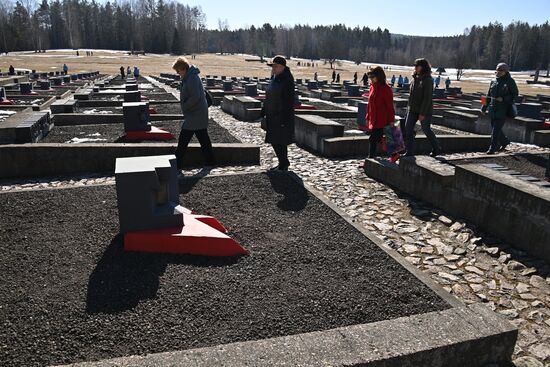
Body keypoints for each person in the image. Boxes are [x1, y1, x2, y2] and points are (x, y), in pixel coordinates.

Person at [172, 57, 214, 171]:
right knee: (203, 137)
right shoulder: (189, 76)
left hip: (195, 114)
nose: (177, 73)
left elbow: (195, 97)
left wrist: (185, 106)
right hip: (197, 113)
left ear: (183, 68)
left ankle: (176, 164)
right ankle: (210, 161)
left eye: (178, 71)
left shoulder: (192, 78)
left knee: (184, 139)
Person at [261, 55, 295, 171]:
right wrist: (263, 110)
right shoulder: (274, 78)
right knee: (274, 140)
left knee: (280, 141)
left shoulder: (287, 80)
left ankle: (283, 163)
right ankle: (282, 162)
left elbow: (289, 101)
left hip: (281, 116)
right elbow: (268, 95)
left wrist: (284, 118)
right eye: (272, 66)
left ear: (282, 67)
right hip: (272, 114)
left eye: (275, 66)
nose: (273, 68)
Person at [403, 58, 441, 157]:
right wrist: (408, 108)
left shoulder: (428, 80)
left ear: (423, 67)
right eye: (415, 66)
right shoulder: (414, 79)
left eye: (417, 66)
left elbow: (427, 98)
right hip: (412, 109)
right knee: (408, 129)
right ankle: (409, 151)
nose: (415, 68)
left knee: (426, 130)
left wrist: (422, 113)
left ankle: (436, 148)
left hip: (424, 110)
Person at [480, 63, 518, 154]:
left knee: (495, 131)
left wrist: (504, 98)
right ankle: (505, 142)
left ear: (505, 72)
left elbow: (515, 95)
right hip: (493, 110)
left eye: (501, 71)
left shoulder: (510, 81)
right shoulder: (493, 81)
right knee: (496, 129)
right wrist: (483, 107)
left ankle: (492, 148)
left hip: (503, 110)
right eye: (497, 71)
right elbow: (488, 95)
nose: (498, 72)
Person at [365, 66, 395, 159]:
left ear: (379, 76)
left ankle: (370, 158)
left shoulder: (386, 89)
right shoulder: (372, 87)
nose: (371, 79)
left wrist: (391, 120)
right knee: (380, 139)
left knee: (372, 139)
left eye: (372, 77)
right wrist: (367, 117)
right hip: (374, 119)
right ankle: (395, 154)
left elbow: (390, 107)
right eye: (370, 78)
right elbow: (369, 104)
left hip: (382, 119)